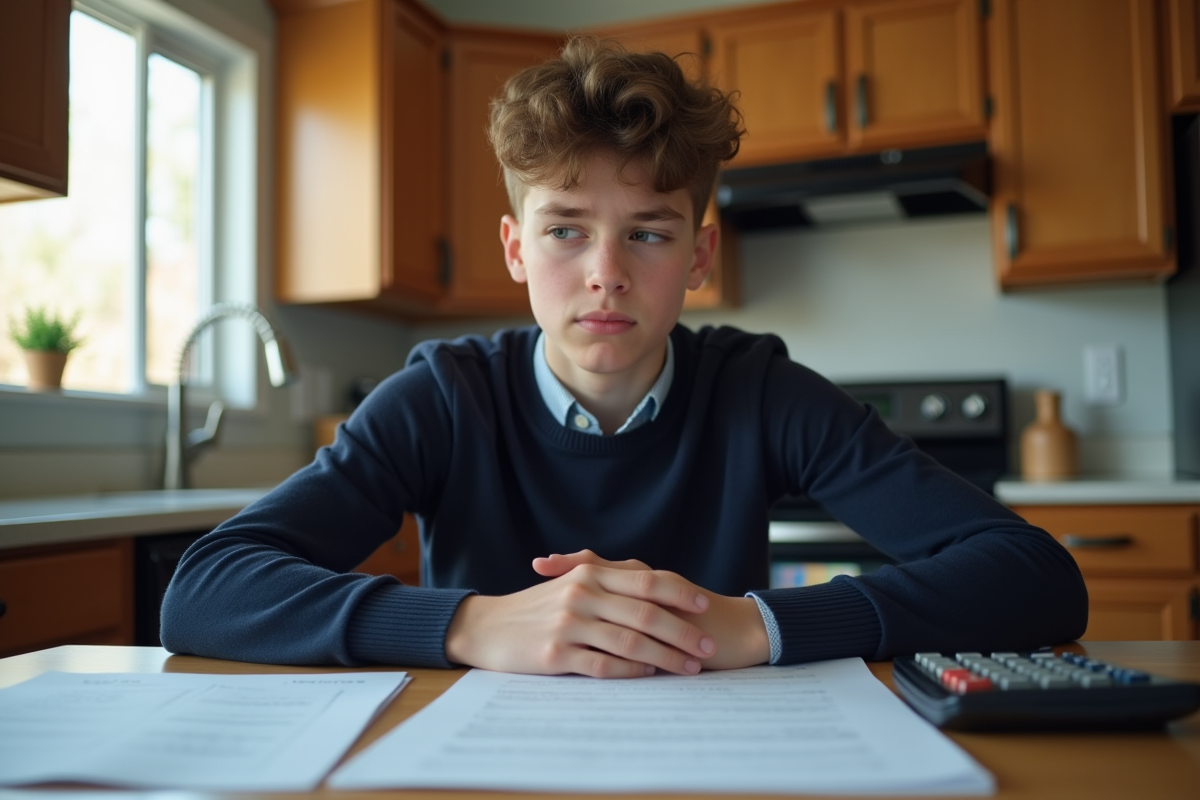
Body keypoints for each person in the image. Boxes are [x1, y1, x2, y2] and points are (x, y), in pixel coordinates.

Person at [160, 37, 1088, 677]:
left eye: (647, 233)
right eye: (566, 231)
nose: (605, 276)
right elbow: (204, 590)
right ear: (517, 250)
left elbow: (1034, 576)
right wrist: (472, 624)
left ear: (698, 258)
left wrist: (756, 625)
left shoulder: (757, 390)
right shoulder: (443, 398)